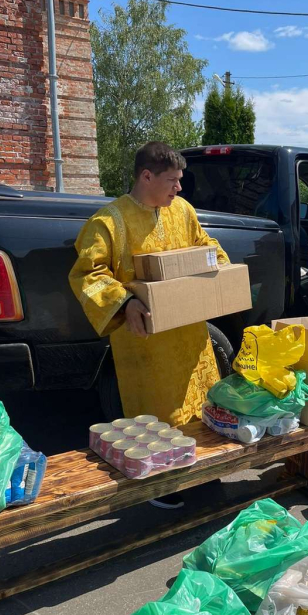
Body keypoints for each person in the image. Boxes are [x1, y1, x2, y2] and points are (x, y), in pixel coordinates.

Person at [69, 142, 229, 508]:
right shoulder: (109, 222)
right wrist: (125, 301)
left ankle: (201, 471)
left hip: (191, 337)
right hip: (147, 347)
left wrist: (220, 266)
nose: (179, 188)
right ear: (146, 176)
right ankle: (163, 487)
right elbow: (87, 275)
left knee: (201, 406)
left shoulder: (183, 211)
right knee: (158, 422)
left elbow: (206, 246)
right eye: (173, 180)